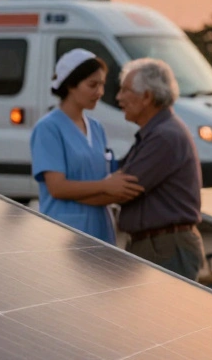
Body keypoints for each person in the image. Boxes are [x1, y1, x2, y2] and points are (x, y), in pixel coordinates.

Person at [31, 48, 141, 244]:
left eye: (102, 85)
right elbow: (57, 187)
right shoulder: (48, 128)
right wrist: (105, 185)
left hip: (100, 230)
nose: (99, 92)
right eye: (92, 85)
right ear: (71, 85)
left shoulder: (96, 128)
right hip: (63, 232)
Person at [113, 58, 206, 280]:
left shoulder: (164, 137)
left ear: (147, 97)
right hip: (159, 246)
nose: (118, 97)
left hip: (164, 249)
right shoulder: (156, 132)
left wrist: (65, 190)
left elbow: (121, 188)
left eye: (125, 90)